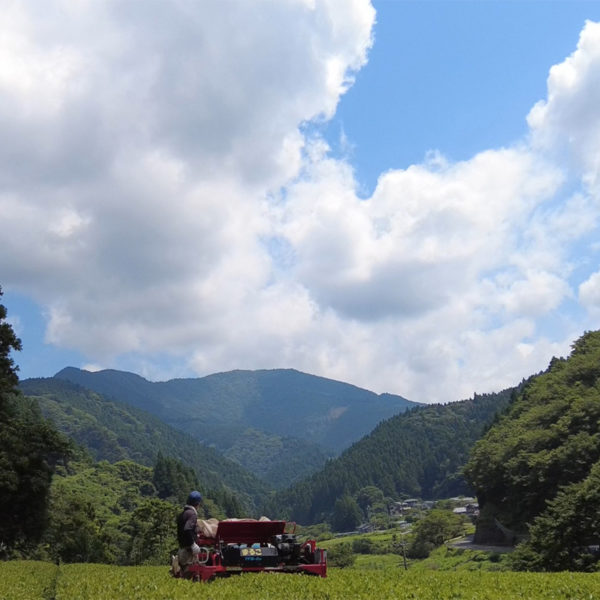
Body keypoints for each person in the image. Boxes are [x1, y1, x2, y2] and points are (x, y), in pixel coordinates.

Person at [175, 490, 203, 577]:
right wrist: (193, 544)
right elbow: (187, 529)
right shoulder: (192, 514)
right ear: (197, 504)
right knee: (192, 576)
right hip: (188, 553)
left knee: (183, 577)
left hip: (181, 550)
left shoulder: (182, 514)